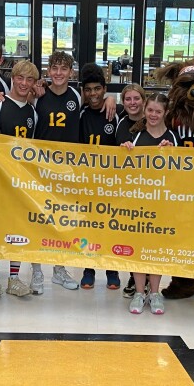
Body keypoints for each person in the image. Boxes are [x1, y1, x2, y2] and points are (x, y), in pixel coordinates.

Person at [0, 60, 39, 297]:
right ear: (12, 79)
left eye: (30, 80)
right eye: (20, 78)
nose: (24, 83)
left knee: (17, 226)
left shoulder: (33, 113)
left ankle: (14, 278)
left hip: (19, 180)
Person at [120, 93, 176, 315]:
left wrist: (172, 152)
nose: (153, 115)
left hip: (161, 205)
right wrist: (124, 152)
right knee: (138, 249)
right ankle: (139, 292)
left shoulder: (172, 138)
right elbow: (124, 170)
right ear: (145, 111)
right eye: (150, 111)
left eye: (158, 112)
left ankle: (155, 293)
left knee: (156, 250)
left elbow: (182, 173)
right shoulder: (136, 136)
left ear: (165, 113)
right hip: (138, 204)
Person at [33, 51, 83, 292]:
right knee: (38, 220)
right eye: (55, 68)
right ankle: (36, 271)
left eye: (64, 69)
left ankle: (59, 269)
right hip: (41, 169)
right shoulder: (38, 95)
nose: (59, 73)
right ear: (48, 71)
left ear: (71, 72)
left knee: (63, 220)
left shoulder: (76, 97)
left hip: (67, 170)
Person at [78, 63, 121, 290]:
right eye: (88, 90)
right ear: (83, 91)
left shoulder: (116, 112)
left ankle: (112, 269)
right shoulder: (81, 114)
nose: (93, 94)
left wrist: (114, 98)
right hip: (87, 181)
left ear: (104, 89)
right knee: (89, 226)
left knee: (110, 225)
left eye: (97, 89)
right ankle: (89, 268)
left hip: (111, 182)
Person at [114, 83, 146, 298]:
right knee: (130, 237)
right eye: (128, 99)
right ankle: (134, 276)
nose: (132, 103)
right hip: (125, 188)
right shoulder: (120, 120)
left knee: (145, 237)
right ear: (122, 102)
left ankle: (141, 282)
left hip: (149, 190)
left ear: (143, 100)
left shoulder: (153, 121)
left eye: (136, 98)